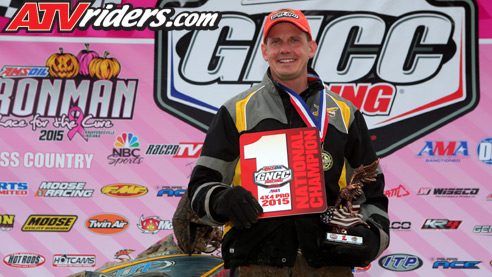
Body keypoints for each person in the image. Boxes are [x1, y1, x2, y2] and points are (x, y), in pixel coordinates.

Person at [186, 7, 389, 276]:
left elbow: (372, 191)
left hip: (328, 264)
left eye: (295, 40)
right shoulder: (236, 111)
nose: (285, 49)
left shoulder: (344, 114)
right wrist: (223, 199)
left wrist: (374, 237)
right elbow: (200, 187)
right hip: (255, 265)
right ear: (264, 51)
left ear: (311, 48)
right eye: (276, 41)